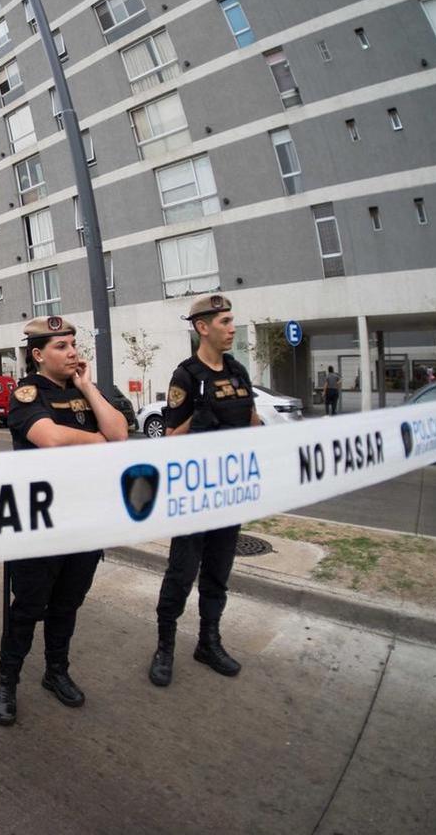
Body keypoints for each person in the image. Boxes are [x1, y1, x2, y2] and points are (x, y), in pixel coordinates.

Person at [0, 316, 129, 726]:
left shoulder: (89, 390)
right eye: (61, 347)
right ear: (38, 355)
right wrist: (99, 441)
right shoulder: (26, 393)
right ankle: (7, 682)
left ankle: (56, 672)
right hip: (39, 520)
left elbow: (121, 432)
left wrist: (88, 387)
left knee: (68, 603)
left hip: (84, 518)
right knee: (28, 607)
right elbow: (49, 439)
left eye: (73, 344)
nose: (72, 352)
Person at [148, 295, 263, 689]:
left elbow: (253, 421)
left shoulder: (237, 371)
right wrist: (199, 420)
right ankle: (164, 646)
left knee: (218, 573)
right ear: (203, 327)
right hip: (195, 493)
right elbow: (170, 439)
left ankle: (208, 642)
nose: (232, 328)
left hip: (229, 491)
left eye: (232, 321)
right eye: (225, 321)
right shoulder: (186, 376)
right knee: (182, 573)